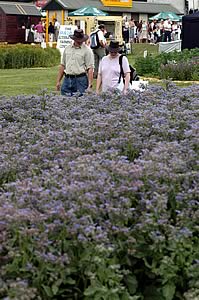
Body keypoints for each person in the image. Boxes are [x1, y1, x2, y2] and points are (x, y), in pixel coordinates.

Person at [56, 29, 94, 97]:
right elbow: (62, 65)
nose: (79, 42)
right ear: (74, 39)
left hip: (80, 80)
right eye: (78, 40)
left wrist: (90, 85)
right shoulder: (67, 48)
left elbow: (90, 68)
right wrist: (58, 81)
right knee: (64, 100)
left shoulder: (87, 51)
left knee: (80, 102)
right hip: (67, 79)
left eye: (81, 40)